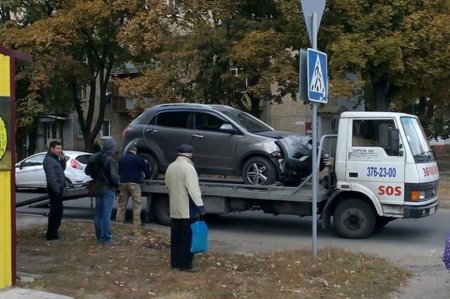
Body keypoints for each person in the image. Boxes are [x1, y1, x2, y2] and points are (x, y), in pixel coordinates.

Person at [165, 144, 206, 272]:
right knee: (187, 238)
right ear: (190, 154)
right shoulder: (188, 168)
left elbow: (167, 185)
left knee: (176, 237)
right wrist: (201, 207)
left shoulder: (171, 167)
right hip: (188, 209)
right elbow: (193, 190)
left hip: (174, 208)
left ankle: (175, 262)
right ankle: (186, 265)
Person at [85, 137, 120, 245]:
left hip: (97, 187)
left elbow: (87, 171)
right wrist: (119, 184)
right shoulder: (111, 160)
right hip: (108, 189)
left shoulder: (93, 157)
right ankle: (107, 239)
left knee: (98, 214)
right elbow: (114, 177)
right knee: (106, 215)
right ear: (111, 148)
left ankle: (99, 237)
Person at [116, 145, 151, 226]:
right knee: (136, 204)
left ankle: (119, 222)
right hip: (134, 184)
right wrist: (148, 177)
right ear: (135, 150)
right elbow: (146, 170)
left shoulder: (122, 159)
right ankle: (136, 223)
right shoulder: (137, 159)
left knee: (122, 204)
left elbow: (119, 170)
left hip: (123, 183)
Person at [43, 140, 67, 240]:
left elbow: (61, 170)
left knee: (58, 212)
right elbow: (51, 177)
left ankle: (54, 232)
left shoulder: (55, 158)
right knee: (55, 212)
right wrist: (57, 190)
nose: (59, 150)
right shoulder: (48, 160)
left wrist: (62, 160)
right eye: (57, 148)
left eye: (60, 148)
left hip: (58, 188)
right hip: (54, 189)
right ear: (51, 148)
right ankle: (52, 235)